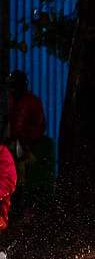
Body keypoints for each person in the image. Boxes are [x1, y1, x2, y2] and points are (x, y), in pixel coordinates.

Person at [7, 70, 48, 222]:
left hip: (23, 145)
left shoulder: (32, 102)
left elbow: (40, 125)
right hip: (7, 144)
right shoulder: (7, 100)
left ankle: (18, 205)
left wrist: (26, 140)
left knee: (19, 175)